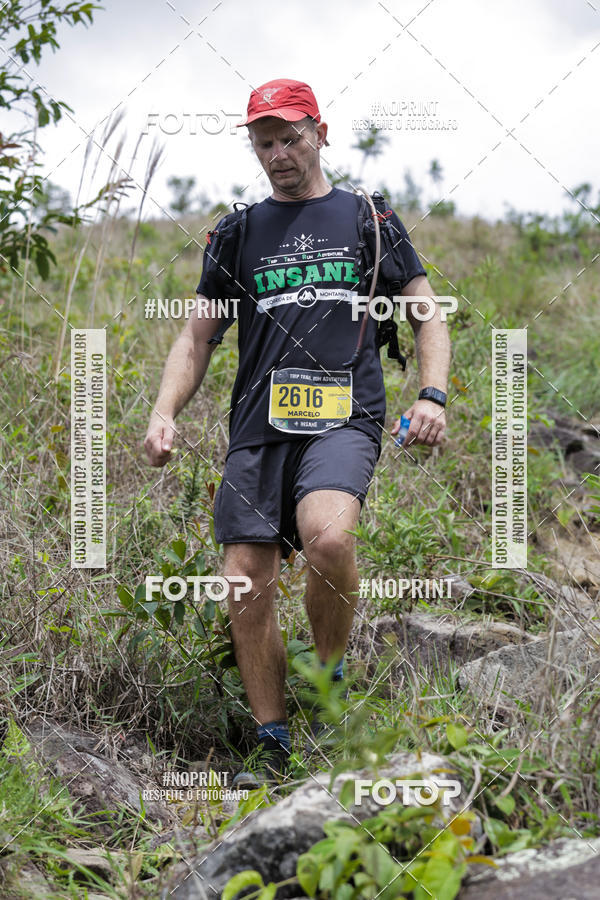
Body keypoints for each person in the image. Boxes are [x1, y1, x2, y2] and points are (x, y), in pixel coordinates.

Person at [144, 78, 451, 781]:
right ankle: (272, 739)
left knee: (329, 537)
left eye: (290, 138)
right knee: (244, 579)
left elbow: (426, 314)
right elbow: (196, 338)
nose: (279, 154)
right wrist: (164, 412)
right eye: (265, 143)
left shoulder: (369, 217)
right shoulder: (238, 232)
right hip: (258, 423)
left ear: (320, 133)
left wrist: (431, 395)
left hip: (344, 414)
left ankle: (327, 679)